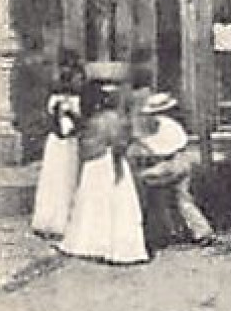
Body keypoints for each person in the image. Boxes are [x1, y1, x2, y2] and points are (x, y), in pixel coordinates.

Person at [58, 83, 148, 266]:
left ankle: (92, 245)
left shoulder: (92, 122)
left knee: (93, 205)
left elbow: (84, 146)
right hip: (116, 162)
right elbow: (125, 140)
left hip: (96, 164)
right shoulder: (118, 119)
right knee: (120, 205)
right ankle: (125, 248)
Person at [128, 92, 215, 248]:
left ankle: (158, 231)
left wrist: (142, 144)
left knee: (146, 184)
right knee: (183, 199)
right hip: (182, 161)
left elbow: (161, 149)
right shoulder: (174, 125)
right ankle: (200, 231)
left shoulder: (164, 126)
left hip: (171, 163)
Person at [31, 55, 85, 240]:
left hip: (67, 143)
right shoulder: (56, 100)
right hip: (59, 143)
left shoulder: (72, 101)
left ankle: (64, 219)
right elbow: (52, 121)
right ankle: (52, 220)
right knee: (56, 178)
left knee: (66, 178)